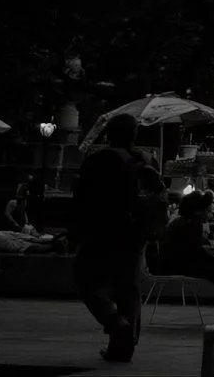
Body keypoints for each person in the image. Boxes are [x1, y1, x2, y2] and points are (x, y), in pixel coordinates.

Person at [71, 116, 167, 362]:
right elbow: (159, 197)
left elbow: (82, 197)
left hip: (102, 231)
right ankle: (123, 347)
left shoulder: (99, 159)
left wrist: (75, 231)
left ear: (108, 133)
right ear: (134, 134)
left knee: (86, 280)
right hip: (136, 233)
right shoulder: (147, 160)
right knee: (129, 289)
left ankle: (114, 320)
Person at [155, 191, 214, 325]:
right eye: (208, 211)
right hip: (174, 265)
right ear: (198, 211)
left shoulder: (182, 221)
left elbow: (196, 250)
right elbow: (198, 251)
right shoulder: (191, 224)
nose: (211, 214)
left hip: (172, 263)